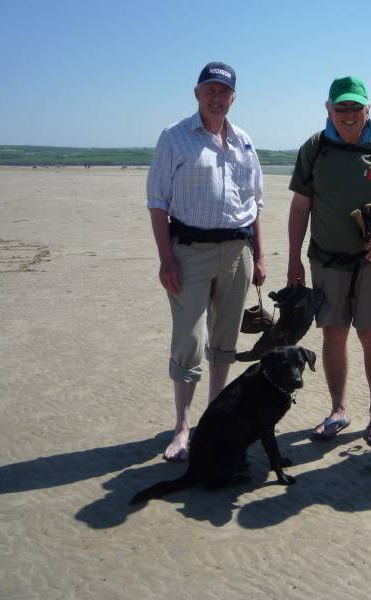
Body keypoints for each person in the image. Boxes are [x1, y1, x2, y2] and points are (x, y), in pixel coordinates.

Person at [146, 61, 266, 461]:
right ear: (197, 94)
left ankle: (215, 419)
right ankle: (182, 427)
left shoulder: (244, 141)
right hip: (189, 254)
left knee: (225, 343)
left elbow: (254, 205)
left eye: (224, 91)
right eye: (209, 90)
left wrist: (260, 256)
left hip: (238, 252)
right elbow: (157, 202)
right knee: (190, 341)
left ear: (233, 97)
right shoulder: (174, 138)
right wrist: (167, 259)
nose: (217, 97)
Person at [286, 76, 371, 446]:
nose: (349, 114)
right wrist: (293, 260)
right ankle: (338, 410)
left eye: (356, 106)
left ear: (368, 108)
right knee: (333, 333)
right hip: (326, 260)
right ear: (329, 109)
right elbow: (300, 207)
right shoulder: (315, 147)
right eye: (341, 107)